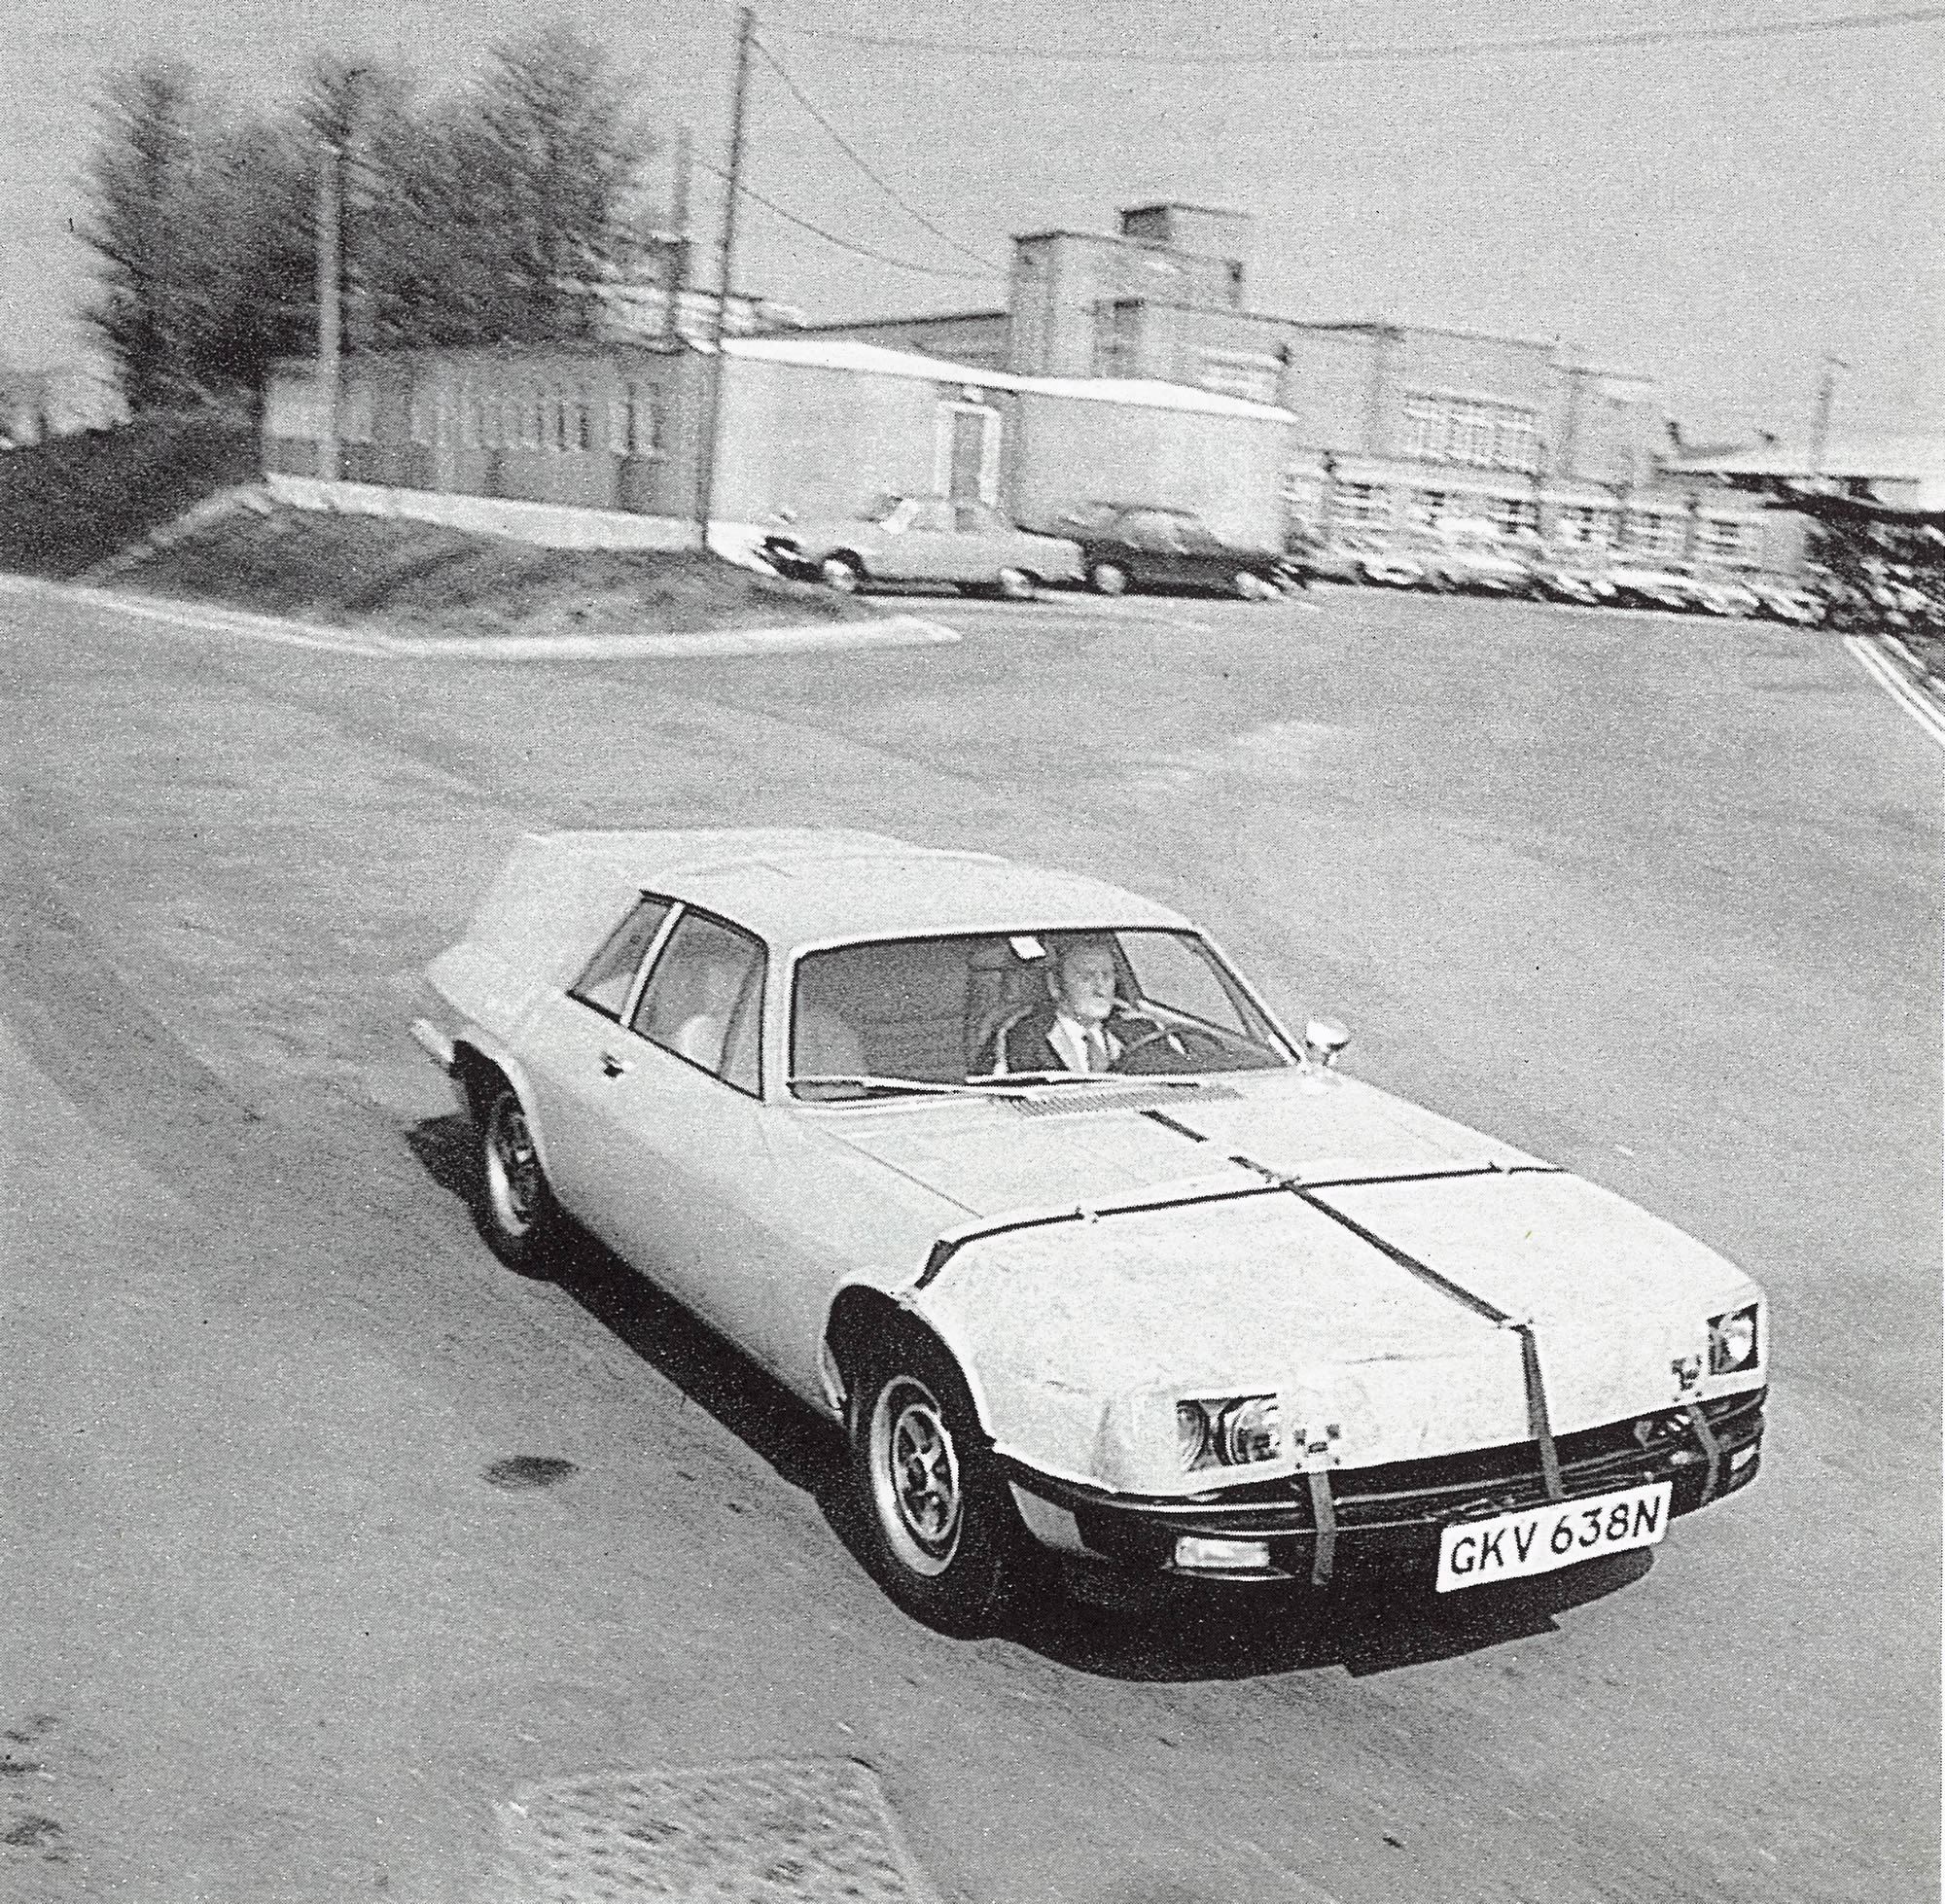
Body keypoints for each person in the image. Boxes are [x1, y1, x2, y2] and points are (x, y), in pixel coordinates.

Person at [986, 936, 1129, 1075]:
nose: (1100, 989)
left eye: (1107, 976)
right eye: (1087, 977)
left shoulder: (1132, 1034)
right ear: (1054, 984)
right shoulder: (1019, 1041)